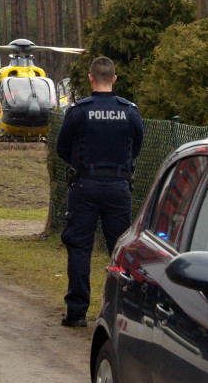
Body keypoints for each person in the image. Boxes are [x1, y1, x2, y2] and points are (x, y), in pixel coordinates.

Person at [55, 56, 143, 327]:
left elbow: (62, 148)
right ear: (114, 79)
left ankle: (77, 312)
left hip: (84, 187)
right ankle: (122, 311)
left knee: (80, 248)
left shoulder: (79, 111)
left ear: (91, 79)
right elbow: (136, 145)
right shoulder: (129, 111)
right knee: (120, 250)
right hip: (118, 188)